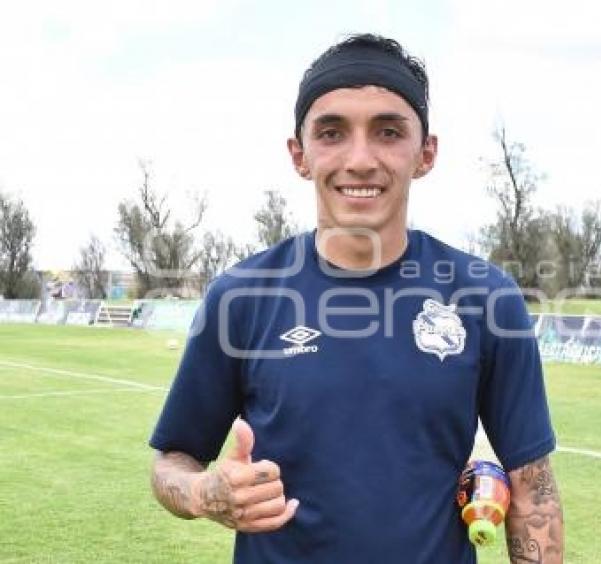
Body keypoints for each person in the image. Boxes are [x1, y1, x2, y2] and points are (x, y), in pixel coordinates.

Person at [149, 33, 564, 563]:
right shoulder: (241, 297)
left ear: (426, 152)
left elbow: (534, 491)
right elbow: (171, 462)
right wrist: (207, 493)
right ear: (300, 155)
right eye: (332, 132)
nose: (361, 159)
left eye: (388, 131)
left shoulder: (487, 297)